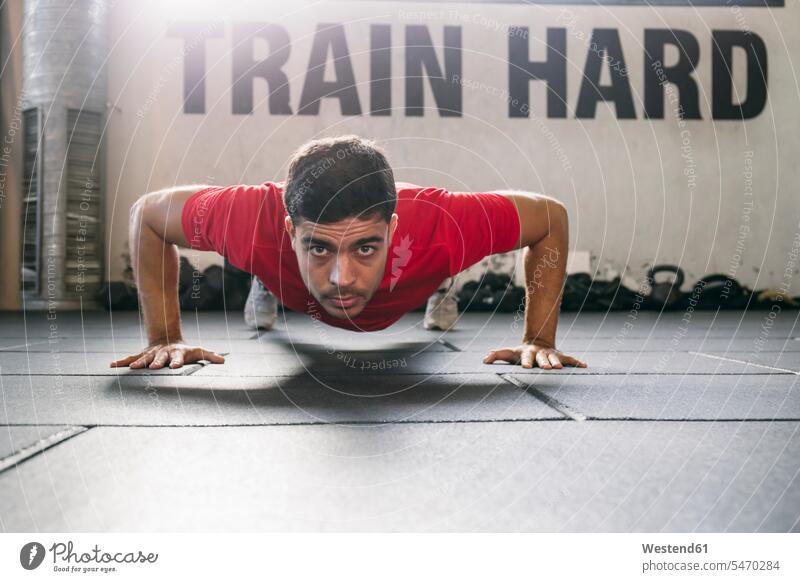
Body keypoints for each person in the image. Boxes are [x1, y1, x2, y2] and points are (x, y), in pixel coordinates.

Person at [110, 135, 586, 371]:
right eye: (318, 246)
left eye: (365, 247)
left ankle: (438, 281)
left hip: (418, 260)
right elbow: (147, 215)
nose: (341, 277)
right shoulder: (247, 218)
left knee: (437, 253)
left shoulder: (443, 223)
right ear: (289, 229)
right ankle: (267, 280)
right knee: (268, 261)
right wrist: (164, 337)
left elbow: (551, 219)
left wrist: (539, 339)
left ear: (392, 230)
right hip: (281, 269)